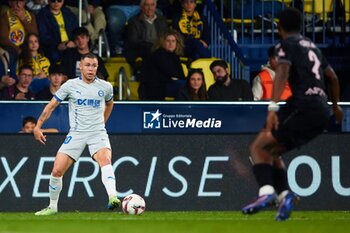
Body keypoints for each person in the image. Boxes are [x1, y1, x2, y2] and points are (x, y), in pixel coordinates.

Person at [241, 8, 343, 221]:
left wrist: (273, 107)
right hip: (322, 110)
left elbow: (283, 72)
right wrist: (335, 107)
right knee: (272, 151)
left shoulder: (286, 45)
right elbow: (333, 78)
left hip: (302, 104)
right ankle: (285, 194)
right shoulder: (312, 46)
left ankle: (267, 193)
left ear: (279, 27)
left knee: (257, 147)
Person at [33, 52, 120, 215]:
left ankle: (113, 197)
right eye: (87, 65)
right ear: (80, 67)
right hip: (77, 133)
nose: (90, 69)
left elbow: (110, 104)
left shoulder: (105, 87)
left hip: (97, 133)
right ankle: (52, 207)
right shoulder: (70, 85)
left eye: (94, 66)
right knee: (56, 171)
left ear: (97, 68)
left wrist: (102, 123)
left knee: (105, 160)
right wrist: (38, 126)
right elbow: (51, 106)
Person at [124, 0, 168, 79]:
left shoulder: (162, 20)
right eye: (147, 5)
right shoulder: (134, 21)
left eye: (152, 5)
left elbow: (165, 37)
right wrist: (152, 46)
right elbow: (133, 41)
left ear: (155, 6)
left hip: (159, 49)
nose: (149, 8)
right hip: (141, 49)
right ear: (141, 7)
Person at [139, 29, 185, 100]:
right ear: (162, 42)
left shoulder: (174, 55)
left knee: (190, 85)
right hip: (156, 87)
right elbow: (170, 71)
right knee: (185, 86)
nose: (171, 44)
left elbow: (180, 74)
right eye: (168, 41)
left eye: (173, 41)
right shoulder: (159, 53)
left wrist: (175, 77)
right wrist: (173, 77)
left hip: (166, 84)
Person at [36, 0, 78, 64]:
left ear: (63, 1)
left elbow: (76, 30)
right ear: (48, 1)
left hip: (70, 45)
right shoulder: (42, 15)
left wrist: (73, 42)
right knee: (54, 55)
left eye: (59, 0)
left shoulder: (68, 13)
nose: (56, 3)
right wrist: (58, 45)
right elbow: (43, 37)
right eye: (53, 0)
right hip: (53, 47)